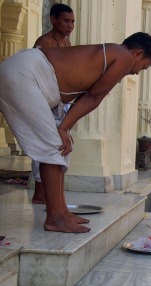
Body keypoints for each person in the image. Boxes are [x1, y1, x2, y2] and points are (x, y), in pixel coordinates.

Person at [0, 32, 151, 233]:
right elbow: (93, 96)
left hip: (28, 74)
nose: (137, 73)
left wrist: (65, 127)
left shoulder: (114, 54)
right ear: (138, 53)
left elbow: (84, 97)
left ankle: (60, 211)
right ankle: (55, 217)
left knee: (64, 147)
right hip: (26, 75)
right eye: (143, 67)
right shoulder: (124, 57)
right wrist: (63, 128)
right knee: (54, 145)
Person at [31, 3, 76, 205]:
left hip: (60, 102)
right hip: (43, 101)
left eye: (73, 21)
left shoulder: (66, 43)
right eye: (66, 21)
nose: (70, 25)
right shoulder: (44, 43)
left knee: (62, 145)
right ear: (53, 20)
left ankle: (55, 197)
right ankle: (40, 194)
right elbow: (38, 75)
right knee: (45, 146)